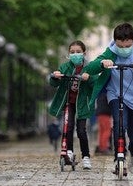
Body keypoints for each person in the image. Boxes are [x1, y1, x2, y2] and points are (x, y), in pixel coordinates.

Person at [84, 22, 133, 173]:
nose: (124, 50)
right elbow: (90, 68)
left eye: (127, 46)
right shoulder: (110, 51)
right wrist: (102, 63)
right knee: (119, 124)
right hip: (116, 95)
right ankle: (119, 157)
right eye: (121, 46)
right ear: (115, 42)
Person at [48, 40, 95, 170]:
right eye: (72, 52)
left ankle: (86, 156)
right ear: (69, 54)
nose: (75, 54)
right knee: (67, 128)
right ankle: (68, 150)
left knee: (81, 131)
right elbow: (54, 83)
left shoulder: (89, 67)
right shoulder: (65, 67)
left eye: (78, 52)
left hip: (82, 104)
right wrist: (55, 76)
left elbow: (96, 82)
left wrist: (89, 77)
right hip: (68, 102)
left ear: (84, 53)